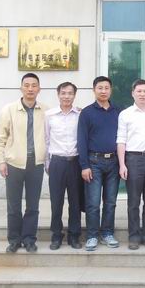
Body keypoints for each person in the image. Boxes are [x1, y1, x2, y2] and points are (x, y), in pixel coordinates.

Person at [0, 73, 48, 253]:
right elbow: (0, 138)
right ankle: (14, 240)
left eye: (34, 85)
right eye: (27, 85)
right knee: (13, 205)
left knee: (33, 206)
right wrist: (1, 161)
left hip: (36, 164)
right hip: (14, 164)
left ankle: (29, 239)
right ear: (21, 88)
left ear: (39, 89)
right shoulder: (9, 110)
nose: (30, 88)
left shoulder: (46, 111)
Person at [116, 79, 145, 250]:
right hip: (133, 159)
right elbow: (121, 140)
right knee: (133, 201)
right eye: (139, 91)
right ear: (133, 93)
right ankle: (134, 236)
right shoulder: (125, 114)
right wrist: (122, 164)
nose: (142, 94)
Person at [77, 76, 121, 252]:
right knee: (93, 203)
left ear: (111, 90)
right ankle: (92, 235)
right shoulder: (87, 113)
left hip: (114, 162)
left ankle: (107, 233)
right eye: (100, 88)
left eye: (106, 88)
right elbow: (81, 140)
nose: (103, 91)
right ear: (94, 90)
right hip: (93, 162)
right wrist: (84, 165)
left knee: (110, 202)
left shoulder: (118, 111)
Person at [45, 81, 83, 250]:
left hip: (75, 162)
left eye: (70, 93)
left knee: (75, 202)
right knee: (56, 201)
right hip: (57, 163)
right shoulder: (49, 115)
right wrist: (48, 163)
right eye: (63, 93)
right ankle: (56, 235)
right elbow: (46, 140)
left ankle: (74, 236)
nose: (66, 96)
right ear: (58, 94)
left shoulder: (80, 114)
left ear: (74, 95)